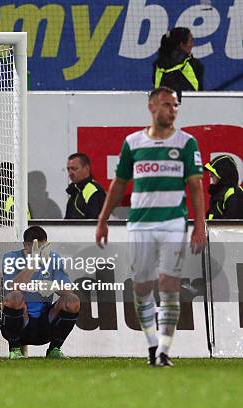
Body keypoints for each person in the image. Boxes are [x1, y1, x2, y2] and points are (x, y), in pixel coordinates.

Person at [95, 86, 206, 367]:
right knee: (142, 287)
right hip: (140, 224)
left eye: (176, 105)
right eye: (168, 104)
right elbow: (119, 183)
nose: (173, 110)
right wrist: (103, 219)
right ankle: (152, 345)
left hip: (173, 223)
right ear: (152, 107)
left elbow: (195, 186)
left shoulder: (186, 142)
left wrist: (199, 225)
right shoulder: (132, 142)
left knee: (169, 285)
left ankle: (164, 351)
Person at [0, 226, 80, 359]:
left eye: (43, 248)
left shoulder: (53, 259)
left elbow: (68, 291)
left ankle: (54, 349)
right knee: (14, 297)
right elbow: (12, 289)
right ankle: (14, 349)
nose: (41, 252)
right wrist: (32, 265)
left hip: (45, 323)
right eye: (37, 248)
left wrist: (53, 286)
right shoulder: (11, 258)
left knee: (72, 300)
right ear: (26, 245)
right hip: (21, 323)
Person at [153, 27, 204, 101]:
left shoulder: (157, 65)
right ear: (182, 45)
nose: (192, 45)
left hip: (164, 108)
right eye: (191, 41)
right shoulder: (195, 65)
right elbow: (200, 96)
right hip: (190, 108)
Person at [64, 153, 106, 219]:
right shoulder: (75, 191)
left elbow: (93, 222)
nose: (70, 173)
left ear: (87, 168)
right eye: (68, 169)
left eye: (74, 169)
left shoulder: (94, 191)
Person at [204, 155, 243, 219]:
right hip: (213, 229)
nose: (210, 175)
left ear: (223, 174)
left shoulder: (235, 194)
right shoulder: (218, 193)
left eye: (213, 173)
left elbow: (232, 225)